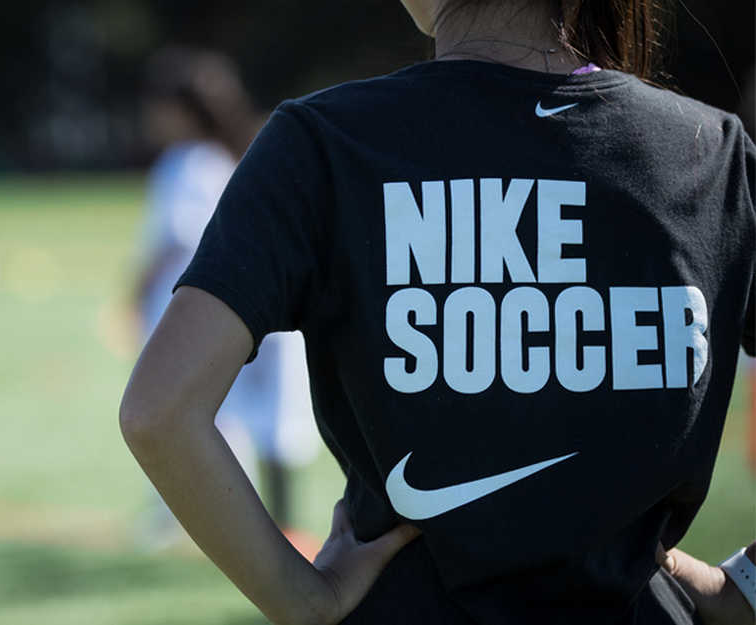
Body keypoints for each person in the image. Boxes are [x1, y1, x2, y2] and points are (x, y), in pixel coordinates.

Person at [120, 2, 756, 624]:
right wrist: (744, 587)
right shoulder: (714, 153)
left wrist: (302, 600)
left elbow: (160, 413)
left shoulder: (323, 142)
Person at [133, 47, 320, 550]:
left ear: (181, 111)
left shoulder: (188, 164)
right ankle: (273, 523)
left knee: (202, 414)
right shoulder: (235, 157)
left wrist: (134, 290)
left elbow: (174, 239)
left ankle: (198, 518)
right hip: (247, 306)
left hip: (194, 309)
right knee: (262, 417)